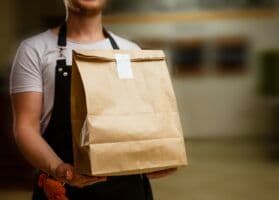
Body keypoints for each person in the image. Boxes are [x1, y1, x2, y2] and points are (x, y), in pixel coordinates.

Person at [10, 0, 177, 199]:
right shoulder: (34, 50)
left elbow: (145, 119)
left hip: (128, 190)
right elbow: (25, 127)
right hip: (63, 188)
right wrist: (58, 168)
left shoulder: (130, 50)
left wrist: (159, 156)